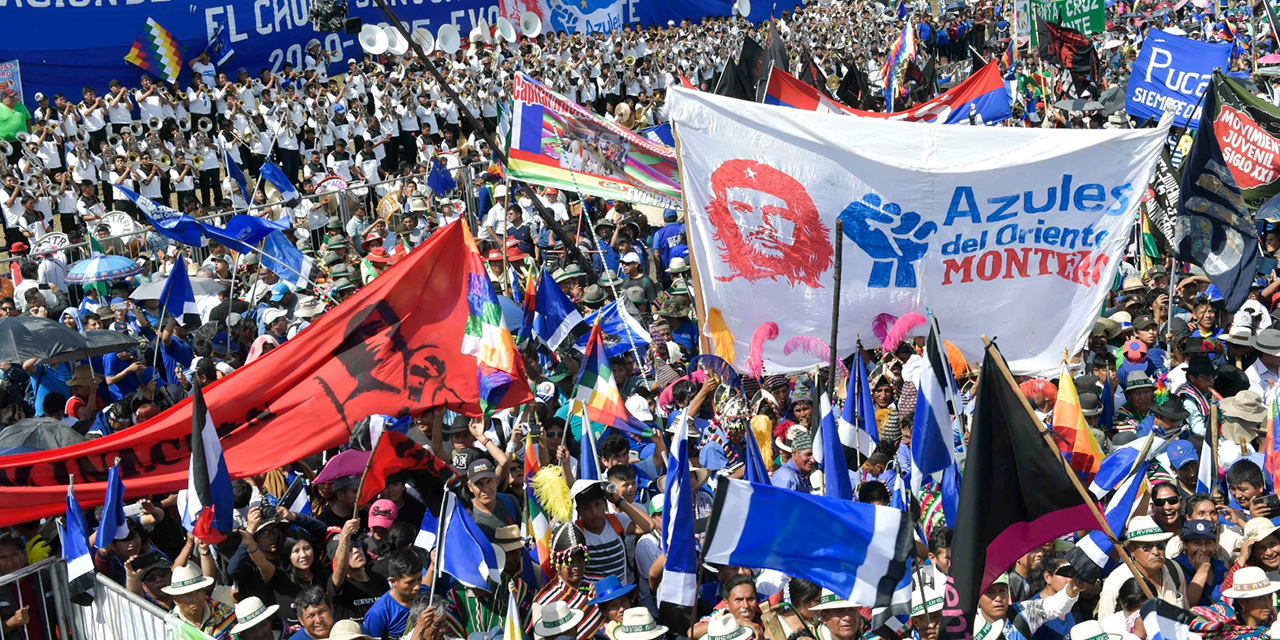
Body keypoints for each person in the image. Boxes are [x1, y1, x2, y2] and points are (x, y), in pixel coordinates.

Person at [1097, 515, 1186, 617]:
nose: (1156, 552)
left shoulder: (1174, 568)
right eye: (1147, 546)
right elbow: (1107, 625)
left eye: (1160, 545)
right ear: (1131, 549)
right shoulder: (1116, 583)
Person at [162, 565, 236, 640]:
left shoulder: (226, 613)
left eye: (198, 591)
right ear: (175, 600)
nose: (195, 599)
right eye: (187, 594)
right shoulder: (170, 625)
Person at [362, 549, 423, 640]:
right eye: (410, 582)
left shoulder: (425, 595)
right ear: (393, 581)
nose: (417, 587)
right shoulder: (378, 614)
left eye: (419, 578)